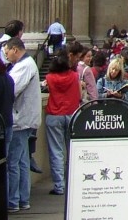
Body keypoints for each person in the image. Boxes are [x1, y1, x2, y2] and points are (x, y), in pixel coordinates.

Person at [4, 36, 41, 213]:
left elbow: (12, 89)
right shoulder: (27, 65)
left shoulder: (24, 66)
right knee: (22, 161)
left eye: (7, 52)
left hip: (20, 119)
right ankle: (22, 199)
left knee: (14, 162)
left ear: (15, 50)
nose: (6, 56)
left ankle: (13, 200)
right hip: (25, 118)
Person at [44, 51, 80, 196]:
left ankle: (59, 185)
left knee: (56, 151)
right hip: (71, 113)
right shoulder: (75, 76)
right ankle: (73, 181)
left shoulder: (49, 78)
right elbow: (78, 92)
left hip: (54, 114)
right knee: (72, 149)